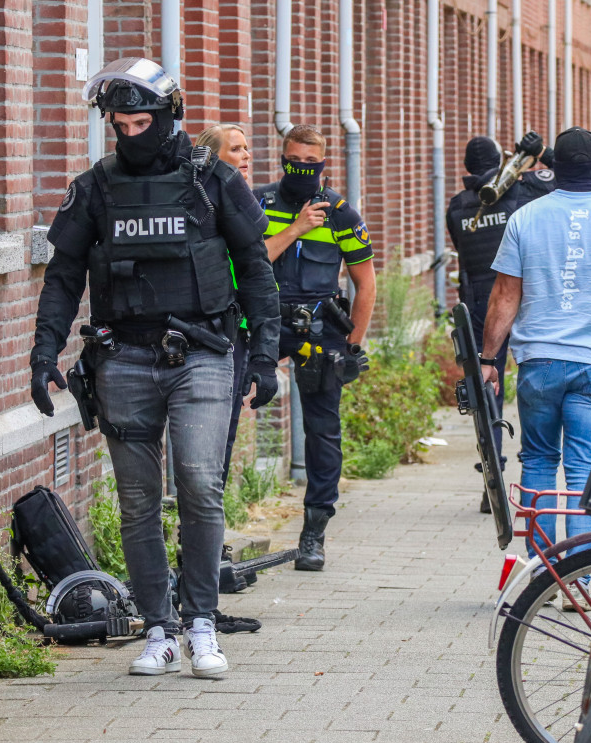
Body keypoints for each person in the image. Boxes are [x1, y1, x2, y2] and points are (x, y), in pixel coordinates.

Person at [29, 59, 280, 678]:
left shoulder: (216, 181)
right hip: (122, 358)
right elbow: (62, 278)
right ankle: (158, 628)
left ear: (170, 117)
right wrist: (44, 350)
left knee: (199, 483)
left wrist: (266, 355)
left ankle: (200, 620)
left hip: (200, 353)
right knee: (138, 500)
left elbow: (255, 270)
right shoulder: (94, 188)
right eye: (119, 125)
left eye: (142, 122)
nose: (130, 135)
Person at [480, 127, 591, 558]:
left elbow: (505, 295)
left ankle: (541, 573)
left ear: (553, 167)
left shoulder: (525, 218)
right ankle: (579, 574)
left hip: (539, 363)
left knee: (540, 461)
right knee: (583, 469)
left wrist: (489, 359)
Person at [252, 124, 377, 572]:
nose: (301, 169)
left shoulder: (342, 213)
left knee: (323, 431)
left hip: (319, 328)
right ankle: (209, 534)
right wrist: (300, 227)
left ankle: (314, 532)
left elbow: (366, 284)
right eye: (294, 160)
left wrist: (354, 345)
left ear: (324, 164)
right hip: (262, 322)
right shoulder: (258, 202)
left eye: (311, 163)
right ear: (281, 157)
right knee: (221, 413)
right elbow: (248, 261)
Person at [446, 132, 555, 513]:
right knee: (539, 379)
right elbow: (572, 176)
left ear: (466, 168)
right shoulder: (524, 190)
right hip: (527, 300)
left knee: (489, 389)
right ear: (500, 160)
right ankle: (538, 468)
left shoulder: (458, 206)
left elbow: (464, 254)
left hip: (480, 305)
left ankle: (492, 477)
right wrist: (540, 153)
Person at [193, 123, 256, 484]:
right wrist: (295, 230)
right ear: (211, 158)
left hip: (240, 332)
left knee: (226, 436)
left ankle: (209, 535)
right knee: (212, 440)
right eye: (235, 149)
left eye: (246, 148)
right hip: (216, 336)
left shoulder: (245, 200)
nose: (245, 155)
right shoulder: (207, 205)